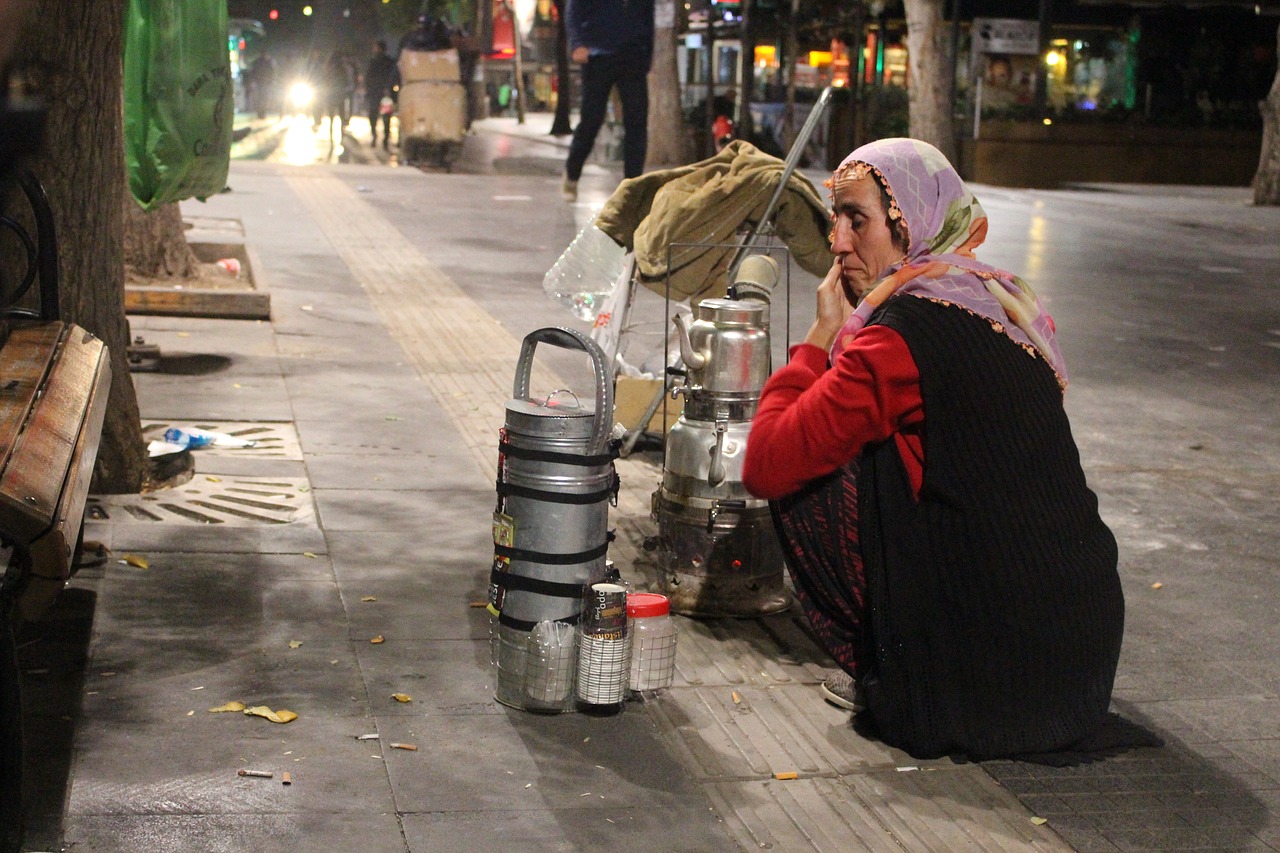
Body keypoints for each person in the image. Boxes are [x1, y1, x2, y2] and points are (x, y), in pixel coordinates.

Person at [742, 138, 1129, 762]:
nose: (837, 242)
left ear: (910, 224)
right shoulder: (996, 303)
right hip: (1077, 662)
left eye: (857, 220)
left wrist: (816, 341)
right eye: (834, 218)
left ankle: (885, 669)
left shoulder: (893, 341)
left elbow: (765, 464)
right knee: (855, 440)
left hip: (991, 693)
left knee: (810, 464)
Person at [561, 0, 655, 202]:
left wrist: (646, 57)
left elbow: (648, 17)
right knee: (591, 119)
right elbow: (574, 10)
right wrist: (577, 43)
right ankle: (572, 174)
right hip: (597, 56)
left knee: (637, 122)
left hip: (633, 55)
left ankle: (632, 187)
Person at [364, 39, 399, 150]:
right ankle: (383, 139)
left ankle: (378, 137)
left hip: (379, 93)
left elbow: (368, 78)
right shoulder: (387, 62)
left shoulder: (376, 62)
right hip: (382, 93)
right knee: (383, 117)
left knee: (378, 116)